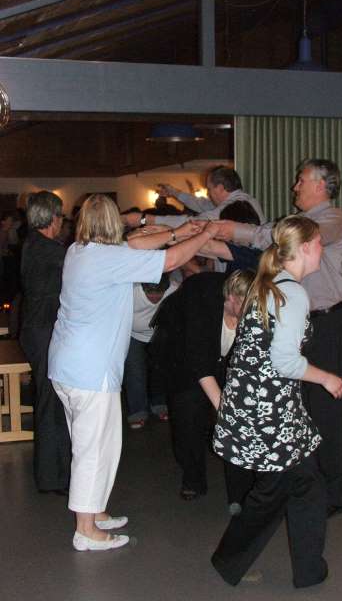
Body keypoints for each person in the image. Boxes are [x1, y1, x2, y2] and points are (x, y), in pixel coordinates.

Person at [48, 194, 220, 552]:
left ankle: (95, 513)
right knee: (93, 450)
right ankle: (86, 531)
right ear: (113, 222)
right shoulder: (108, 259)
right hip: (90, 371)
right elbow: (170, 261)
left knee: (101, 445)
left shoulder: (79, 250)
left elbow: (135, 243)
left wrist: (179, 232)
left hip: (70, 366)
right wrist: (205, 235)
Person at [214, 158, 342, 516]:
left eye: (301, 180)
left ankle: (333, 494)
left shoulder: (333, 218)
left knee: (324, 410)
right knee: (298, 408)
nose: (295, 187)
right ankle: (303, 487)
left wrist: (236, 230)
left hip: (327, 325)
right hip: (301, 325)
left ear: (321, 185)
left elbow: (286, 235)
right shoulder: (296, 227)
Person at [211, 215, 342, 588]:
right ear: (305, 248)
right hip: (268, 411)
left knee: (305, 485)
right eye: (319, 243)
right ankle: (232, 560)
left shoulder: (270, 284)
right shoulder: (291, 294)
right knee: (276, 491)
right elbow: (285, 362)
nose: (322, 249)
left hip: (264, 405)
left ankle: (307, 569)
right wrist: (327, 378)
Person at [151, 269, 255, 503]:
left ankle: (240, 488)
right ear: (231, 298)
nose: (251, 312)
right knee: (188, 413)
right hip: (182, 357)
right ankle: (193, 478)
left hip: (221, 359)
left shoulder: (252, 309)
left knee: (237, 410)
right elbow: (199, 363)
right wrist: (225, 410)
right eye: (246, 305)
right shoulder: (202, 303)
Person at [19, 191, 71, 495]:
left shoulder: (34, 244)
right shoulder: (49, 249)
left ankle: (53, 474)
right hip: (43, 331)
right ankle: (53, 477)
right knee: (52, 403)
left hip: (37, 329)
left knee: (50, 400)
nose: (62, 221)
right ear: (53, 217)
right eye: (61, 215)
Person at [121, 166, 266, 229]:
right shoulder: (242, 200)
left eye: (209, 189)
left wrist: (146, 219)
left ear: (221, 188)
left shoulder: (236, 205)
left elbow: (192, 222)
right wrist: (174, 192)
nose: (208, 194)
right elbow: (202, 204)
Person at [123, 275, 180, 429]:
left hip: (160, 334)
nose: (155, 297)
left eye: (159, 293)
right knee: (135, 372)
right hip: (132, 334)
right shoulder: (131, 291)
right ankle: (137, 412)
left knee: (160, 370)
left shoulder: (174, 289)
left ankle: (159, 404)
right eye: (150, 293)